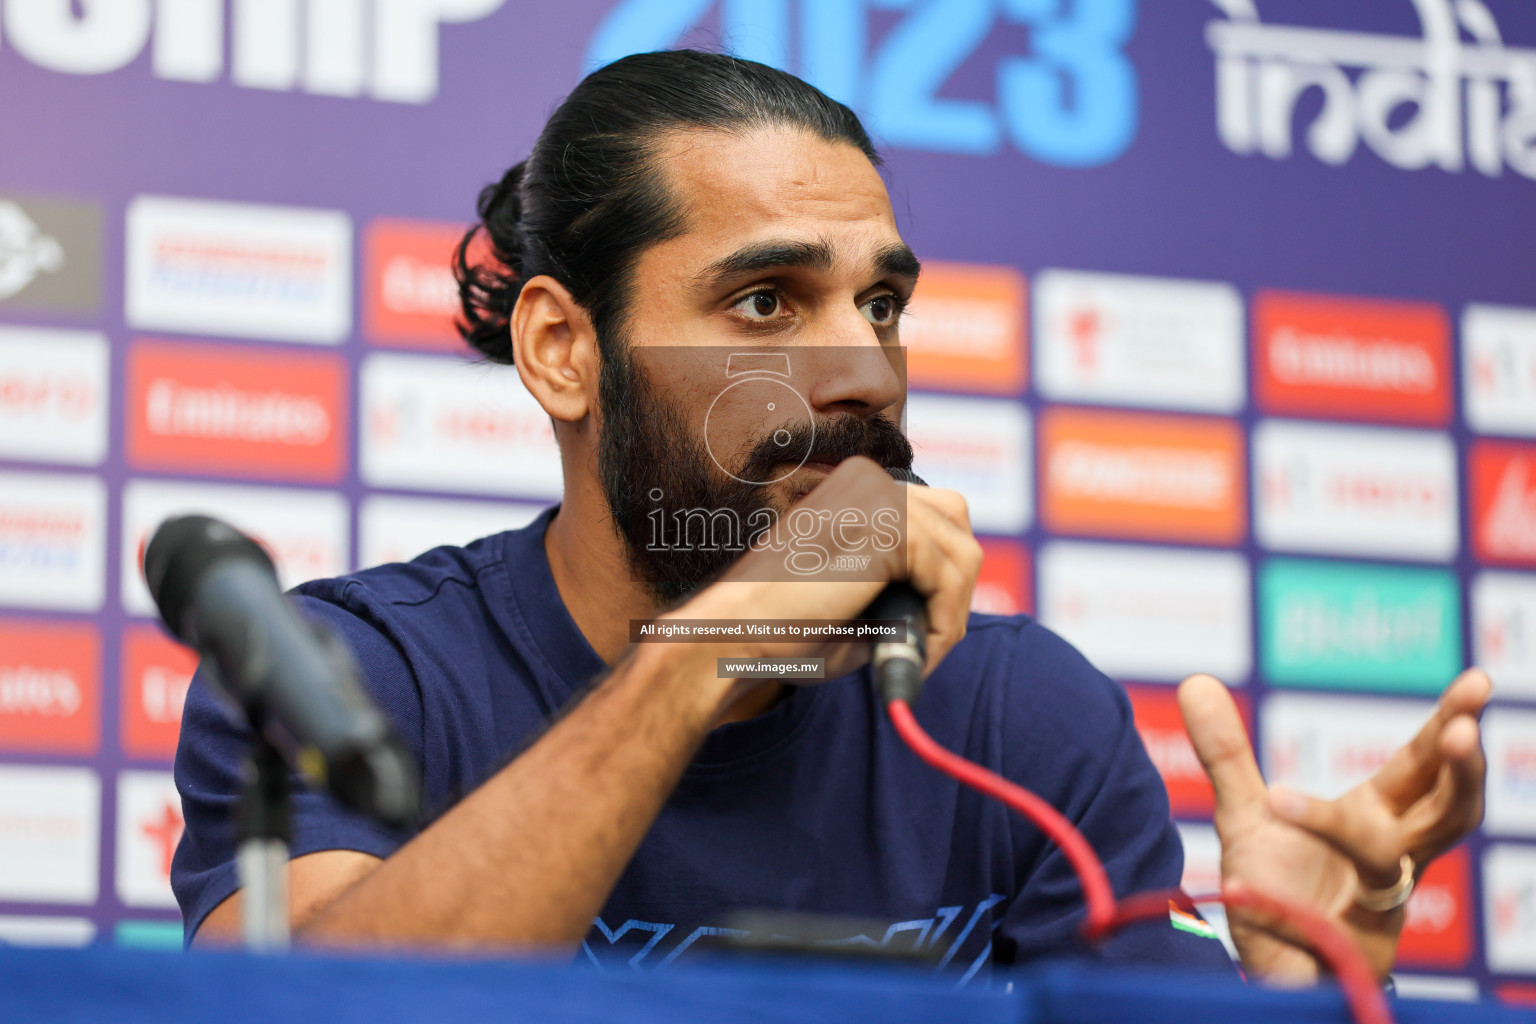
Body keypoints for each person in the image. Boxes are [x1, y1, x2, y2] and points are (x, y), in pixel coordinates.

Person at [171, 50, 1489, 983]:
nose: (863, 368)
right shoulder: (347, 678)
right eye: (764, 306)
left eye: (882, 305)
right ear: (564, 349)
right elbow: (306, 1009)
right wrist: (707, 652)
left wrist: (1299, 997)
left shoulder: (1013, 715)